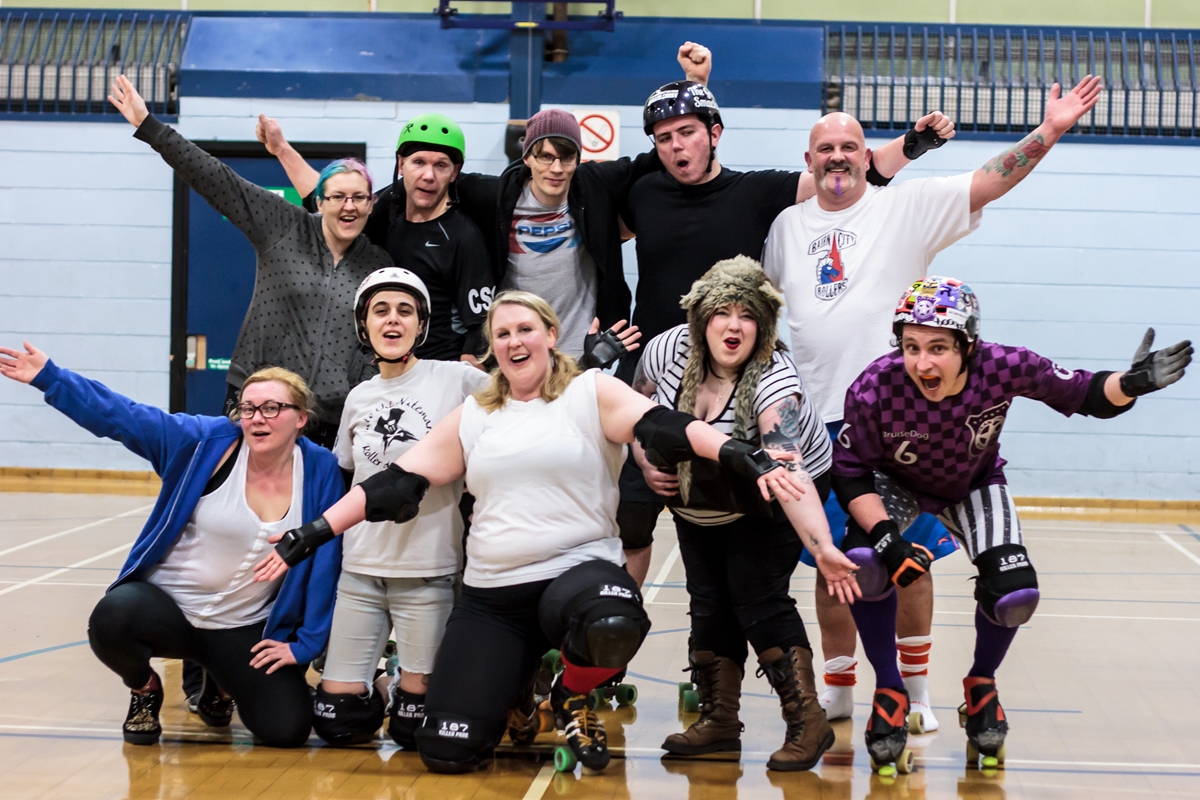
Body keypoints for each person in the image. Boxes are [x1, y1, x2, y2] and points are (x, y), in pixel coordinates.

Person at [252, 290, 813, 774]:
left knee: (616, 617)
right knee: (447, 751)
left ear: (550, 335)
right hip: (493, 596)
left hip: (576, 573)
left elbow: (664, 425)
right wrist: (311, 534)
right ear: (493, 346)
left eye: (525, 329)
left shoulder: (589, 391)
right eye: (502, 333)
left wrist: (739, 453)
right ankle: (519, 694)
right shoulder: (476, 412)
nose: (514, 341)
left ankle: (570, 692)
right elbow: (393, 484)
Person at [761, 75, 1104, 731]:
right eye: (825, 148)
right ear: (810, 163)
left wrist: (1050, 129)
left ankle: (914, 690)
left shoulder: (906, 207)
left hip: (898, 426)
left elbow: (988, 180)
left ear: (868, 156)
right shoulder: (784, 227)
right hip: (814, 432)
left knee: (908, 566)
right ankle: (838, 687)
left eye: (849, 146)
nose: (837, 156)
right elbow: (768, 317)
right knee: (838, 567)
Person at [831, 276, 1191, 771]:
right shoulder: (877, 385)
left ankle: (981, 686)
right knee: (866, 564)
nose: (922, 363)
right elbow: (850, 476)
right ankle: (890, 692)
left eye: (938, 348)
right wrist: (891, 545)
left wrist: (1129, 385)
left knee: (1016, 593)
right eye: (911, 347)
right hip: (896, 485)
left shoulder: (1004, 365)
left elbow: (1084, 393)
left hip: (973, 483)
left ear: (969, 345)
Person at [257, 45, 712, 366]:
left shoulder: (594, 183)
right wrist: (282, 150)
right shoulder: (494, 193)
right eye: (544, 156)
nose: (555, 168)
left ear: (579, 159)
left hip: (583, 354)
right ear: (527, 157)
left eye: (566, 157)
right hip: (512, 354)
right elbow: (341, 203)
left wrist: (695, 86)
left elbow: (669, 151)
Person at [0, 344, 344, 748]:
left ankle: (221, 682)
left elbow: (326, 563)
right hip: (169, 610)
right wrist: (51, 378)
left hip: (242, 627)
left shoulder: (321, 471)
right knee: (112, 618)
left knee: (286, 731)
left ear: (301, 418)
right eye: (248, 408)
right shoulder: (203, 443)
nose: (256, 418)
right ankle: (144, 690)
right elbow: (123, 416)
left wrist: (304, 645)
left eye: (271, 408)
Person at [631, 257, 859, 771]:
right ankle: (719, 722)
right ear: (701, 318)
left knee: (755, 594)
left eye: (748, 315)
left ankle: (808, 722)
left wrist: (822, 548)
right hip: (702, 491)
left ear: (765, 325)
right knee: (709, 598)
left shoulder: (777, 378)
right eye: (722, 313)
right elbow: (632, 409)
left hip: (778, 488)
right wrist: (646, 463)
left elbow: (789, 474)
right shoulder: (666, 351)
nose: (734, 326)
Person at [108, 75, 393, 447]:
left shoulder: (379, 266)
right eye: (338, 197)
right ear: (319, 201)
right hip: (260, 401)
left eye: (359, 198)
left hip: (331, 420)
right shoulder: (285, 227)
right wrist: (150, 126)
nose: (349, 206)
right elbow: (218, 180)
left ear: (371, 204)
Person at [313, 267, 488, 749]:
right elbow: (350, 478)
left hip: (428, 570)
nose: (393, 321)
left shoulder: (456, 379)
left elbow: (520, 397)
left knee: (416, 730)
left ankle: (402, 685)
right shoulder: (359, 396)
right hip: (362, 569)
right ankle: (386, 684)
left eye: (405, 311)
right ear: (364, 325)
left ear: (421, 325)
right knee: (337, 721)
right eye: (381, 311)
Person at [258, 112, 496, 364]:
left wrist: (463, 394)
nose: (429, 175)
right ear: (401, 163)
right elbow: (327, 203)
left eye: (441, 165)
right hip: (380, 370)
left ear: (454, 172)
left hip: (435, 372)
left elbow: (480, 332)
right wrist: (281, 149)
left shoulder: (462, 237)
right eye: (419, 162)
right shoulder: (387, 209)